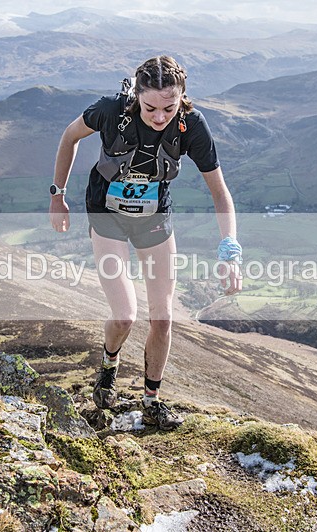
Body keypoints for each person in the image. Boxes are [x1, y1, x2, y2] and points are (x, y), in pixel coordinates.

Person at [49, 55, 242, 430]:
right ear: (137, 97)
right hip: (106, 213)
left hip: (153, 218)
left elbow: (220, 192)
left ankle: (151, 400)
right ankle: (109, 365)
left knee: (163, 317)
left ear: (182, 98)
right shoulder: (109, 111)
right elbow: (69, 137)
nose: (159, 117)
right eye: (150, 107)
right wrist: (57, 194)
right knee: (124, 316)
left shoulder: (191, 126)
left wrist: (229, 250)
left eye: (169, 107)